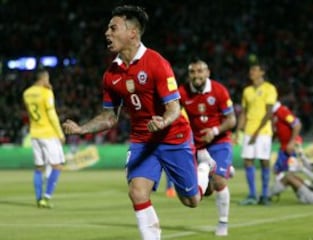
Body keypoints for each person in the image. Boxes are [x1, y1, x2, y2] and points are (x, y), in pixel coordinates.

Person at [62, 5, 214, 240]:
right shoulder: (111, 74)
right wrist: (82, 128)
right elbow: (109, 117)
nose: (107, 33)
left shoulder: (157, 63)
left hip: (173, 137)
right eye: (107, 28)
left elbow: (174, 109)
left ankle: (204, 167)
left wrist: (162, 122)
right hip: (143, 140)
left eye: (113, 28)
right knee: (137, 192)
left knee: (191, 200)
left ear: (133, 32)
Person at [178, 59, 236, 236]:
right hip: (197, 146)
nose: (197, 75)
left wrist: (215, 130)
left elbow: (231, 120)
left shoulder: (219, 91)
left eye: (200, 71)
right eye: (193, 72)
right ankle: (225, 170)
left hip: (219, 141)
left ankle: (223, 223)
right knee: (207, 191)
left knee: (218, 181)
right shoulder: (182, 92)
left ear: (207, 73)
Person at [234, 62, 278, 205]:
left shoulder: (269, 88)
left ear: (262, 72)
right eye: (251, 69)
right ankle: (252, 195)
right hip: (248, 130)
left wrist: (257, 132)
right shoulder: (247, 90)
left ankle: (265, 195)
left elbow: (269, 112)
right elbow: (244, 113)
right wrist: (238, 131)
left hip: (263, 132)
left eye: (254, 70)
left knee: (264, 161)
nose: (251, 72)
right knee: (248, 161)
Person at [22, 68, 65, 208]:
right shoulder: (46, 92)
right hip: (48, 134)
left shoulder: (26, 93)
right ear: (43, 78)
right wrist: (60, 133)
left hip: (34, 134)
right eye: (47, 78)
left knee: (39, 168)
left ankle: (39, 198)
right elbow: (51, 115)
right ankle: (47, 197)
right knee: (57, 165)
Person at [270, 130, 313, 204]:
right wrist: (301, 153)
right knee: (293, 177)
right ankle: (269, 194)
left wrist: (302, 169)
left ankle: (266, 195)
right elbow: (311, 167)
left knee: (289, 178)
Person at [272, 101, 302, 175]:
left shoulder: (282, 111)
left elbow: (297, 125)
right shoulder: (274, 114)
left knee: (283, 171)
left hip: (290, 147)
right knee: (278, 170)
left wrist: (291, 143)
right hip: (284, 147)